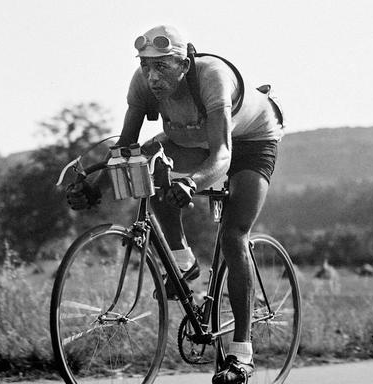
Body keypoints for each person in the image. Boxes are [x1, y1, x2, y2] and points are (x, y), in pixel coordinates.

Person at [66, 24, 284, 384]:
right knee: (153, 172)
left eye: (162, 66)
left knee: (233, 237)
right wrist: (95, 187)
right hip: (192, 137)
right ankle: (183, 264)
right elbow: (125, 148)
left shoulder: (211, 77)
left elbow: (223, 156)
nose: (152, 76)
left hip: (249, 142)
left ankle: (241, 355)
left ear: (185, 64)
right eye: (146, 65)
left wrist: (193, 182)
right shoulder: (142, 84)